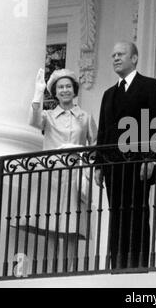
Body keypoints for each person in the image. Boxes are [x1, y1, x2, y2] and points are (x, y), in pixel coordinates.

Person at [94, 41, 156, 269]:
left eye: (121, 54)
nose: (115, 58)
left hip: (138, 163)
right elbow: (103, 131)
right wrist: (98, 164)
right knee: (117, 213)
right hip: (112, 165)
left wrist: (151, 158)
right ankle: (118, 265)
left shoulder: (150, 86)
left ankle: (137, 265)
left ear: (134, 58)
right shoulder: (108, 94)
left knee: (137, 212)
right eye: (113, 55)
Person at [27, 68, 97, 271]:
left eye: (68, 86)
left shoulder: (85, 117)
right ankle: (50, 272)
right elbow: (33, 121)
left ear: (74, 90)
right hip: (52, 175)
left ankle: (69, 273)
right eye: (60, 87)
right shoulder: (48, 116)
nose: (64, 90)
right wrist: (38, 93)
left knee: (72, 225)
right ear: (55, 92)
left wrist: (85, 157)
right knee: (50, 224)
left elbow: (96, 145)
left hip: (75, 175)